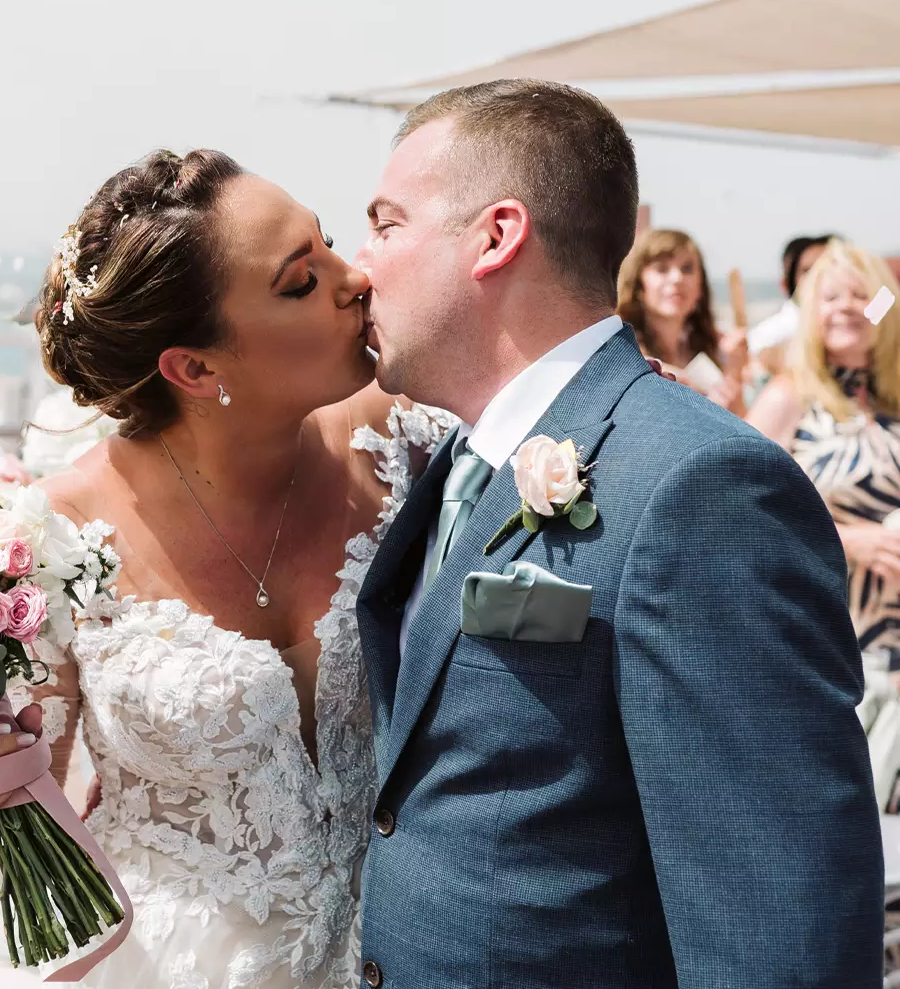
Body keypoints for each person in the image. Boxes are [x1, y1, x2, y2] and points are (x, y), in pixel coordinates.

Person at [353, 79, 882, 988]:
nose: (360, 262)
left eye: (387, 223)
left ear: (496, 235)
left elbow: (777, 911)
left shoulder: (703, 484)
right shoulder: (452, 459)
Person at [0, 148, 456, 988]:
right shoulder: (58, 536)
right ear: (195, 367)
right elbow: (30, 812)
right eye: (301, 280)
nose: (355, 276)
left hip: (401, 950)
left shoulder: (406, 441)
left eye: (329, 243)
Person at [747, 240, 900, 673]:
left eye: (861, 295)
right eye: (831, 298)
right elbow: (742, 510)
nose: (847, 307)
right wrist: (851, 541)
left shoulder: (893, 401)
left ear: (883, 308)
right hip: (828, 644)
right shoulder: (788, 397)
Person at [616, 228, 748, 414]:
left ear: (700, 286)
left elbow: (743, 422)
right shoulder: (623, 351)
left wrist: (735, 371)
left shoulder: (716, 348)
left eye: (687, 268)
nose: (677, 279)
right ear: (638, 284)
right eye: (662, 269)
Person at [748, 233, 837, 377]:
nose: (819, 276)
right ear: (787, 283)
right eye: (808, 270)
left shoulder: (851, 325)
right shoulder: (768, 337)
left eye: (828, 266)